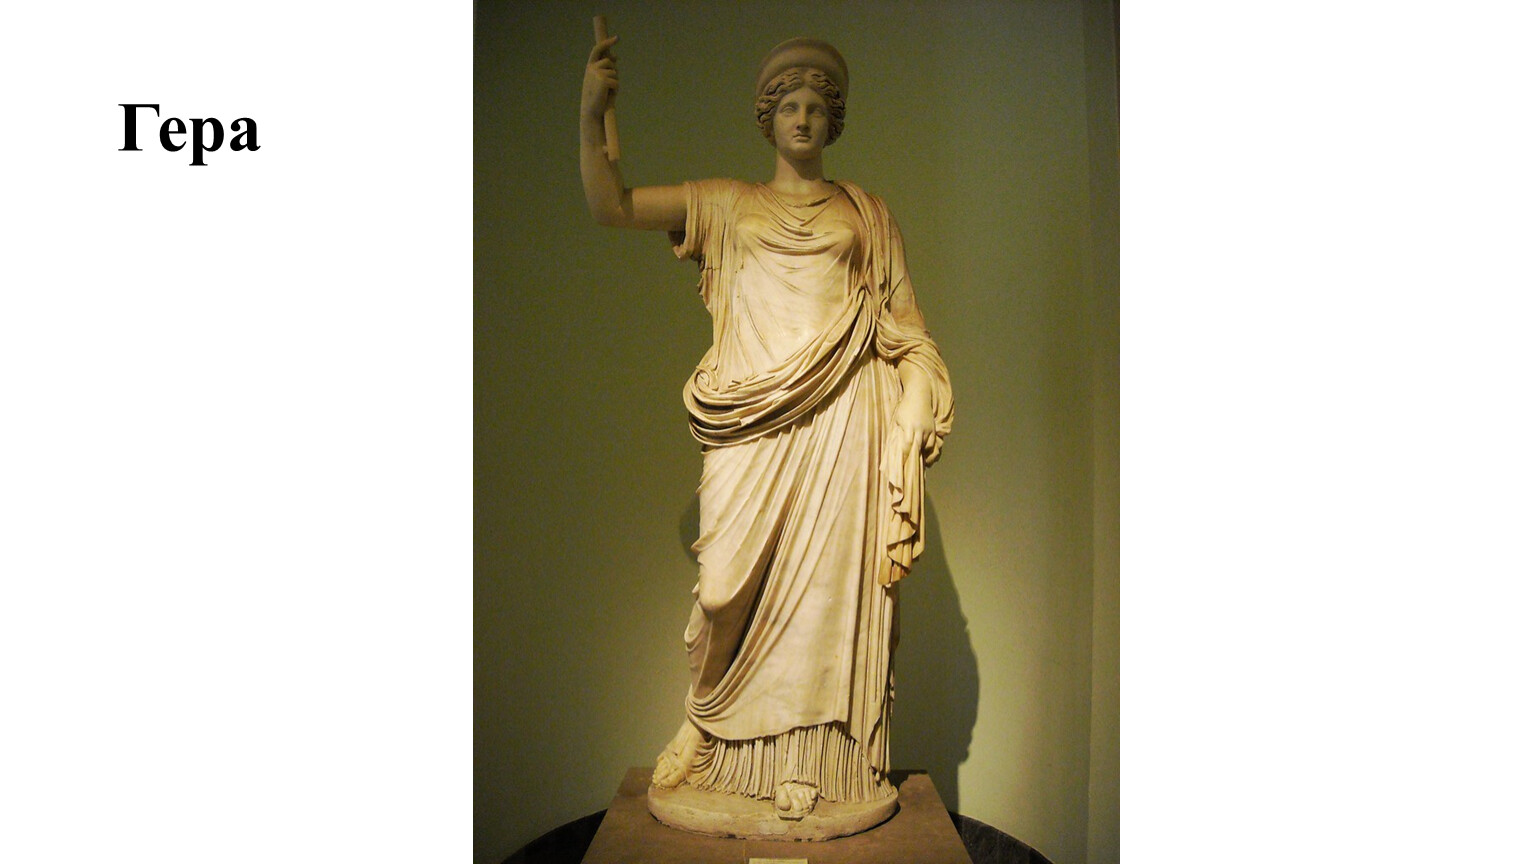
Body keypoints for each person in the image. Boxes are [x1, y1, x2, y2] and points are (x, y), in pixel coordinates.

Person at [580, 35, 953, 824]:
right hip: (748, 419)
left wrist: (915, 397)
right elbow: (611, 205)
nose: (803, 118)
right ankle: (704, 726)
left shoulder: (867, 215)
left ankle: (806, 761)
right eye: (789, 106)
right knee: (722, 593)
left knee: (823, 599)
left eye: (817, 107)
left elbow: (906, 328)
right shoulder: (725, 203)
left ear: (834, 121)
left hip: (843, 418)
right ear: (767, 117)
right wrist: (592, 114)